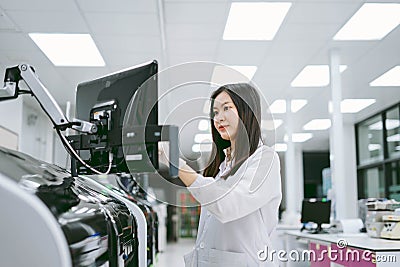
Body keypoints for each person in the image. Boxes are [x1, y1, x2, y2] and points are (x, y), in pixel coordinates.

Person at [177, 83, 282, 266]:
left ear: (247, 111)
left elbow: (227, 206)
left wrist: (178, 167)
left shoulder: (265, 159)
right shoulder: (223, 165)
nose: (218, 118)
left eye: (227, 108)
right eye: (215, 112)